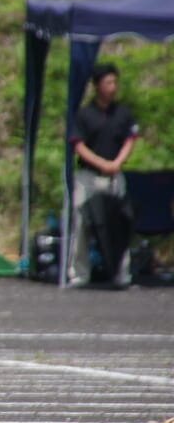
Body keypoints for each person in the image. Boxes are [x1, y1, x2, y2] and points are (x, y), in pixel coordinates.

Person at [67, 62, 138, 288]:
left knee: (120, 223)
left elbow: (130, 139)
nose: (113, 87)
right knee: (81, 222)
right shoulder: (84, 114)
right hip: (89, 176)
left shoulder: (122, 113)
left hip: (114, 175)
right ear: (97, 86)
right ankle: (79, 273)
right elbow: (78, 144)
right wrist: (101, 163)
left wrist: (116, 163)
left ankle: (121, 274)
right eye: (108, 82)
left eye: (115, 82)